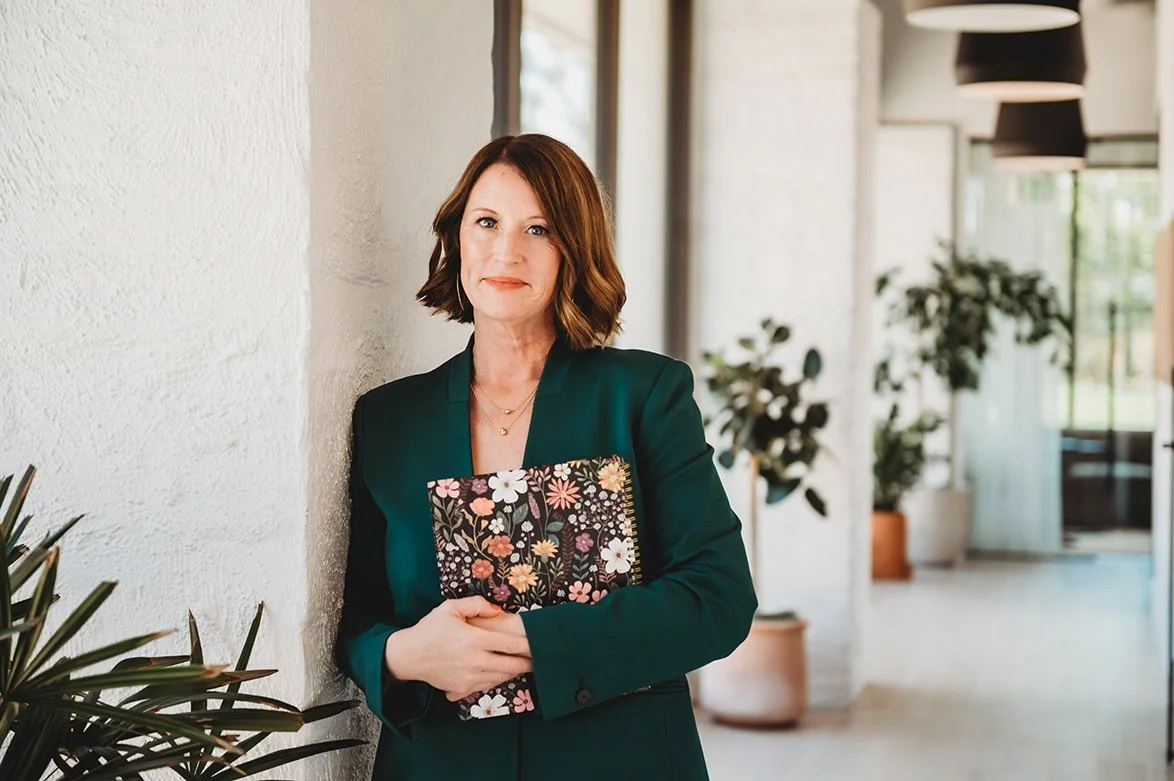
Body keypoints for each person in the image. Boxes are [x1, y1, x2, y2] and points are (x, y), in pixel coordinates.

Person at [335, 133, 756, 781]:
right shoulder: (389, 419)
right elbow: (359, 618)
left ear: (573, 249)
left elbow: (717, 595)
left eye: (539, 228)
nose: (507, 250)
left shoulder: (644, 395)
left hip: (621, 761)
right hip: (442, 764)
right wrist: (406, 653)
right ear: (457, 237)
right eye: (487, 222)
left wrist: (534, 640)